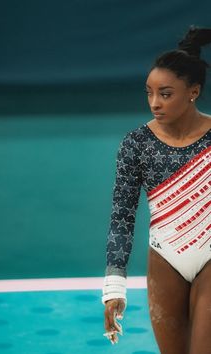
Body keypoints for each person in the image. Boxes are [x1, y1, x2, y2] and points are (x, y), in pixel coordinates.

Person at [102, 26, 211, 354]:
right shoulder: (136, 144)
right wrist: (114, 286)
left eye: (165, 94)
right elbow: (122, 216)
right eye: (149, 92)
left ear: (193, 91)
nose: (154, 103)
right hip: (166, 259)